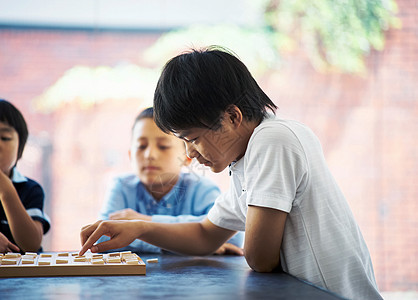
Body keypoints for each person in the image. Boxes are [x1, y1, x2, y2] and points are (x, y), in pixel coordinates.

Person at [79, 46, 382, 299]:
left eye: (193, 138)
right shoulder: (244, 162)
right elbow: (205, 234)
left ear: (232, 117)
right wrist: (140, 227)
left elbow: (260, 259)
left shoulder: (273, 140)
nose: (190, 154)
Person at [97, 107, 243, 254]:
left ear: (187, 157)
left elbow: (233, 238)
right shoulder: (121, 186)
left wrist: (143, 223)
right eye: (141, 146)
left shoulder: (202, 188)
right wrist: (189, 244)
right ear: (130, 155)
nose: (149, 155)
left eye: (163, 146)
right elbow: (103, 238)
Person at [0, 99, 50, 253]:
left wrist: (7, 191)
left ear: (20, 147)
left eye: (5, 138)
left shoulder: (29, 189)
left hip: (24, 276)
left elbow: (31, 244)